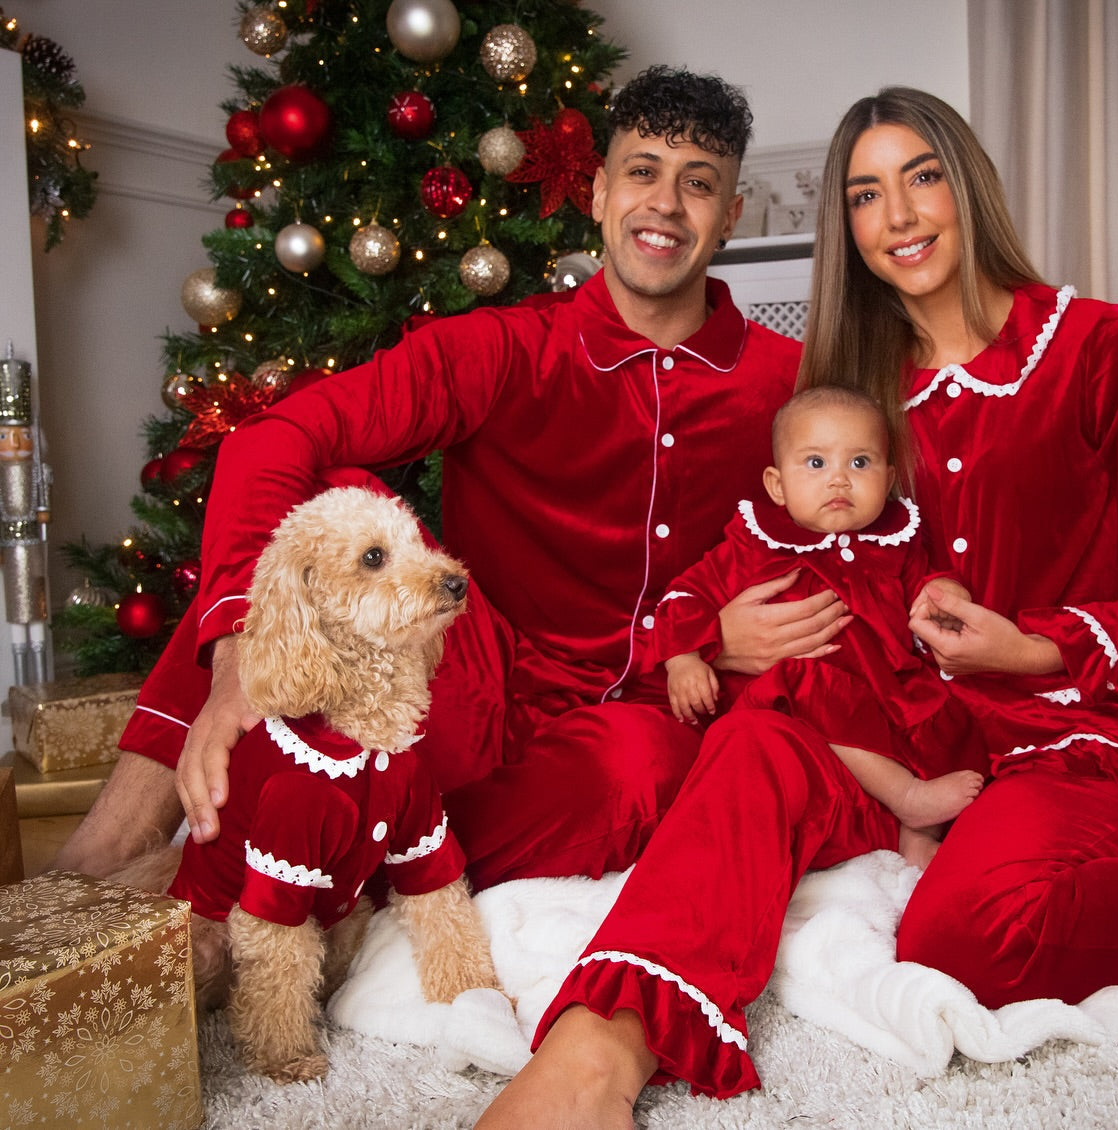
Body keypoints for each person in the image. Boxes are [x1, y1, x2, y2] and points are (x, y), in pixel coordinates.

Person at [475, 87, 1118, 1128]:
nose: (899, 216)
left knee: (963, 944)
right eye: (864, 194)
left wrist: (1040, 645)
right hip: (892, 738)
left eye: (922, 177)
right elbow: (778, 545)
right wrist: (711, 635)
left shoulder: (1100, 348)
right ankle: (597, 1053)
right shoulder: (852, 394)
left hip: (1059, 732)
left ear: (968, 184)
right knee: (744, 754)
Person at [52, 65, 850, 886]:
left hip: (632, 726)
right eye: (643, 172)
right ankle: (101, 858)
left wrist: (714, 641)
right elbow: (272, 438)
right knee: (336, 504)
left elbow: (859, 546)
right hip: (471, 686)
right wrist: (238, 653)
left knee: (643, 767)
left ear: (730, 218)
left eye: (700, 185)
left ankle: (351, 857)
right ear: (601, 193)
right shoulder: (504, 348)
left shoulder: (791, 387)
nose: (665, 205)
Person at [648, 384, 984, 867]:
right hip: (798, 706)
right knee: (803, 683)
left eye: (860, 464)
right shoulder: (756, 544)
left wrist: (947, 593)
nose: (839, 481)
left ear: (889, 478)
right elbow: (686, 595)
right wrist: (683, 657)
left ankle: (909, 832)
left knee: (953, 716)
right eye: (815, 464)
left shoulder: (895, 540)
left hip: (883, 695)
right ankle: (906, 795)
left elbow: (924, 585)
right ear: (777, 484)